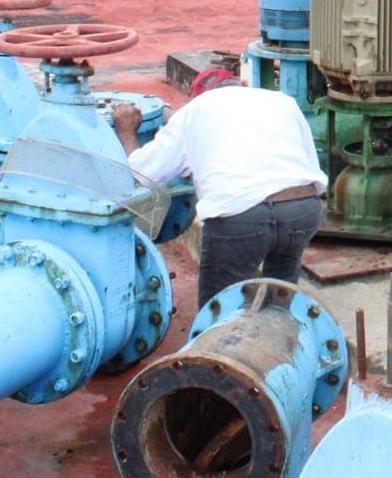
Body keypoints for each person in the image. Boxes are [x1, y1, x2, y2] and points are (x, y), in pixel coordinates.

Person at [112, 71, 327, 308]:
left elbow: (141, 174)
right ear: (242, 84)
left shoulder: (194, 111)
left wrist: (126, 133)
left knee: (219, 308)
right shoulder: (282, 101)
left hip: (240, 216)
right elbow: (311, 165)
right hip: (302, 209)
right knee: (280, 298)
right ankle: (280, 322)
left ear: (197, 95)